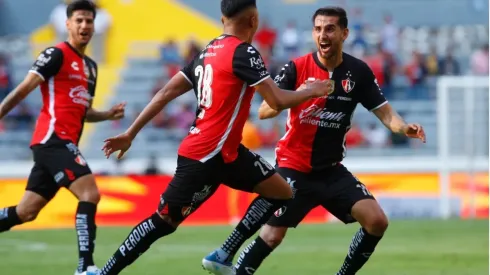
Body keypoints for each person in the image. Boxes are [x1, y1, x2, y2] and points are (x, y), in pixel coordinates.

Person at [94, 0, 332, 274]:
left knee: (281, 192)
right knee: (164, 222)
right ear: (253, 20)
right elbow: (277, 100)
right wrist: (311, 90)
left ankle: (224, 253)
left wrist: (130, 133)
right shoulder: (244, 53)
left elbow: (164, 93)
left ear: (222, 19)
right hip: (204, 155)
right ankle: (106, 272)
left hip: (227, 153)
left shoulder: (207, 51)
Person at [204, 6, 426, 275]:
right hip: (293, 166)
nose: (323, 34)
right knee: (272, 236)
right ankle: (233, 265)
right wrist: (303, 93)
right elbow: (264, 111)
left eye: (330, 28)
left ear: (344, 33)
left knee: (377, 221)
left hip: (331, 171)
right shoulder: (297, 68)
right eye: (318, 29)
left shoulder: (358, 72)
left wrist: (404, 128)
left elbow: (386, 114)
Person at [0, 1, 126, 275]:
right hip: (53, 140)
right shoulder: (56, 54)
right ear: (68, 24)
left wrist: (107, 114)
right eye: (79, 20)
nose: (84, 26)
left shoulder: (91, 67)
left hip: (61, 143)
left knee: (26, 212)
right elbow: (24, 88)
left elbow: (83, 111)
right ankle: (85, 267)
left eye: (89, 21)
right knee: (90, 193)